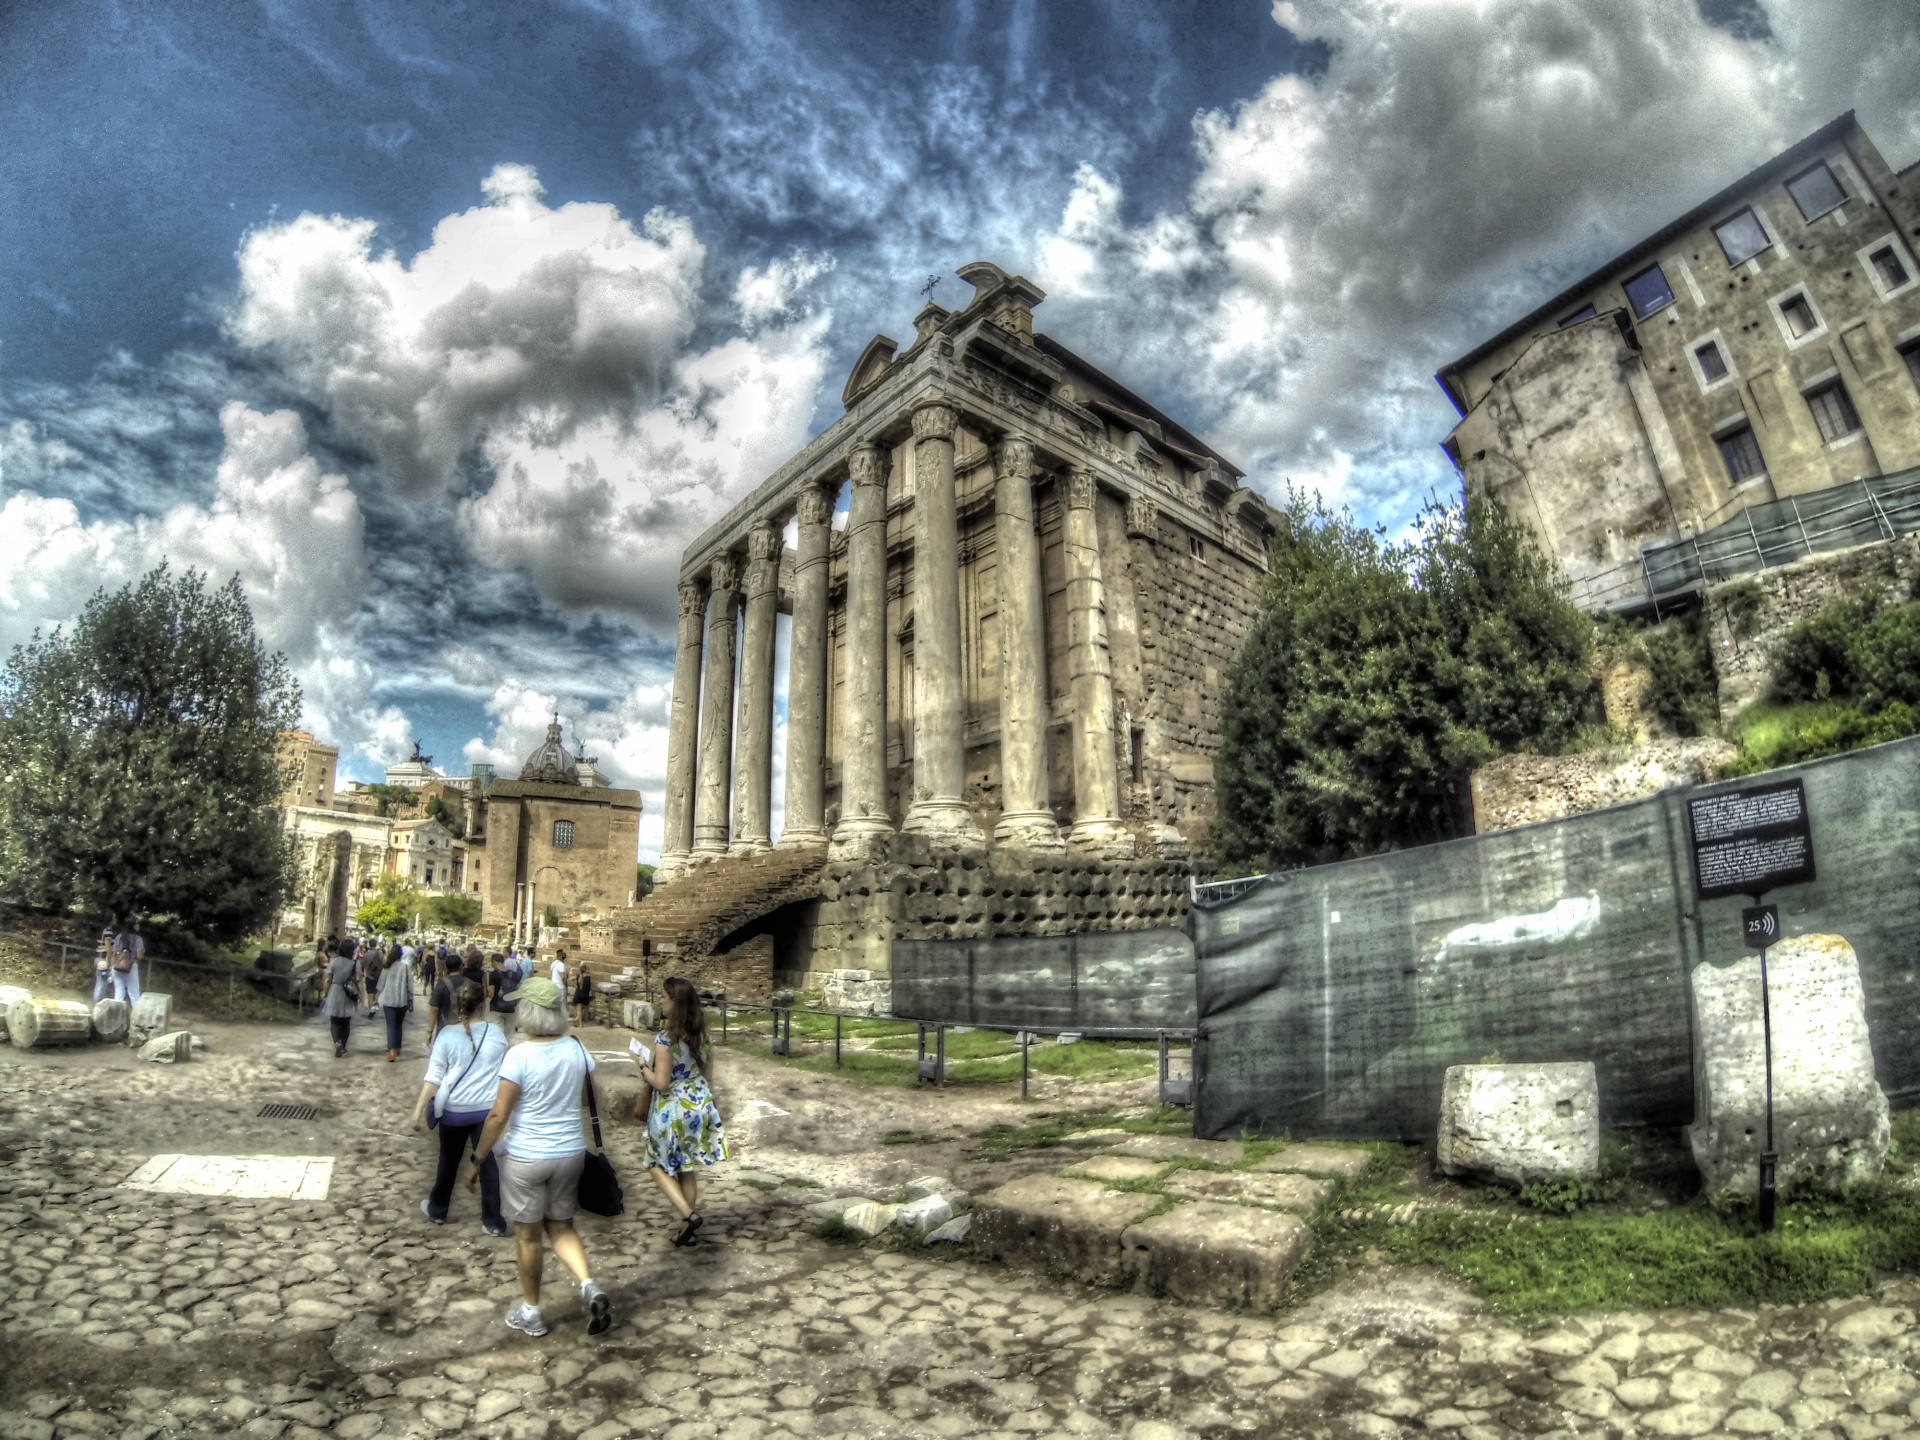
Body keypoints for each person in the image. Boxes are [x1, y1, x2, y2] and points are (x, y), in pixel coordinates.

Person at [466, 976, 612, 1338]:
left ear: (528, 1012)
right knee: (562, 1226)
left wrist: (477, 1159)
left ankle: (531, 1311)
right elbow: (586, 1093)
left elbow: (498, 1115)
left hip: (526, 1157)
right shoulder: (577, 1049)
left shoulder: (519, 1055)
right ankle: (588, 1285)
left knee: (528, 1238)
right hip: (569, 1152)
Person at [410, 980, 510, 1236]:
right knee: (487, 1165)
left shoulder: (447, 1035)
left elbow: (434, 1076)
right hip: (485, 1111)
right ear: (482, 1005)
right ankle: (492, 1220)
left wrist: (417, 1110)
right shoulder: (496, 1034)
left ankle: (438, 1208)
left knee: (448, 1160)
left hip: (454, 1111)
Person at [636, 975, 728, 1248]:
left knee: (655, 1164)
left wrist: (643, 1066)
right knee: (686, 1169)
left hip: (672, 1110)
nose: (660, 1002)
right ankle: (688, 1229)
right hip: (699, 1106)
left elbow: (661, 1083)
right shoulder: (704, 1036)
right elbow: (707, 1077)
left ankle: (689, 1215)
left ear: (674, 1002)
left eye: (664, 997)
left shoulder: (665, 1039)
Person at [428, 954, 481, 1043]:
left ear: (446, 967)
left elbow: (434, 1009)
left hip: (445, 1029)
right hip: (466, 1028)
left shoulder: (441, 984)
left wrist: (430, 1031)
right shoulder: (470, 983)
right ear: (461, 966)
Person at [322, 938, 359, 1057]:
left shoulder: (334, 961)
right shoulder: (353, 963)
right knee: (346, 1022)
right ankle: (343, 1045)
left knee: (334, 1021)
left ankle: (336, 1042)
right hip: (348, 993)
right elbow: (358, 980)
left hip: (335, 990)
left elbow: (328, 979)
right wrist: (362, 996)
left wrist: (325, 992)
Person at [378, 943, 414, 1062]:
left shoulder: (387, 966)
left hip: (388, 1000)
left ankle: (392, 1050)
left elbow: (381, 984)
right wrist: (410, 999)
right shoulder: (405, 967)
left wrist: (376, 997)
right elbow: (410, 986)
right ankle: (397, 1047)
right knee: (398, 1025)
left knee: (391, 1025)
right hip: (402, 1000)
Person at [110, 918, 145, 1005]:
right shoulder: (137, 939)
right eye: (136, 924)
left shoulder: (119, 937)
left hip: (117, 966)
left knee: (119, 992)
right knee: (134, 993)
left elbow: (114, 951)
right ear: (132, 926)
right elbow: (139, 956)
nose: (138, 926)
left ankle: (116, 1014)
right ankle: (136, 1016)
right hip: (131, 967)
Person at [92, 925, 115, 1004]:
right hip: (104, 959)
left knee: (99, 982)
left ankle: (96, 1003)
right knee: (102, 983)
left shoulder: (100, 929)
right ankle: (98, 1004)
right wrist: (110, 959)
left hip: (98, 958)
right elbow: (107, 944)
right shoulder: (108, 930)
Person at [571, 961, 593, 1028]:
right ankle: (577, 1020)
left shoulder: (578, 976)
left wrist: (575, 985)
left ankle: (579, 1021)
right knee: (585, 1008)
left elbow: (570, 979)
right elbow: (592, 985)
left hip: (578, 993)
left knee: (579, 1009)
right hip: (585, 995)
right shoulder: (588, 978)